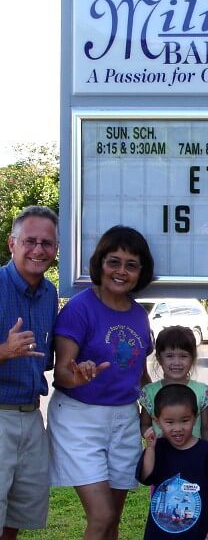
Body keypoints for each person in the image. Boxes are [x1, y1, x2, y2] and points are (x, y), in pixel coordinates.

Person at [47, 225, 155, 540]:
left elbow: (141, 373)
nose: (121, 271)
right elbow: (62, 373)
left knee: (113, 522)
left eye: (131, 265)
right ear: (100, 264)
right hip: (79, 417)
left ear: (141, 271)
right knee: (101, 515)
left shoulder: (139, 314)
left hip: (123, 419)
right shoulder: (80, 308)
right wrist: (78, 373)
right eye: (114, 261)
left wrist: (149, 413)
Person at [0, 205, 59, 539]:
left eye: (47, 243)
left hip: (31, 417)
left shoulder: (49, 294)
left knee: (17, 514)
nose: (39, 249)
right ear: (12, 243)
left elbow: (47, 359)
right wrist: (5, 351)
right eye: (30, 241)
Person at [137, 384, 208, 540]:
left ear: (195, 418)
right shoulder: (158, 449)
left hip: (198, 531)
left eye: (184, 420)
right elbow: (146, 477)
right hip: (160, 532)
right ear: (157, 421)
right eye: (169, 422)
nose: (178, 428)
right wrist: (151, 449)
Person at [140, 325, 208, 444]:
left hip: (193, 457)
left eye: (183, 356)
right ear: (159, 358)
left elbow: (206, 429)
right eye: (170, 356)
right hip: (161, 456)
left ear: (193, 358)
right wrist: (152, 435)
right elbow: (144, 424)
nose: (177, 362)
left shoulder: (202, 392)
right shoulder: (149, 392)